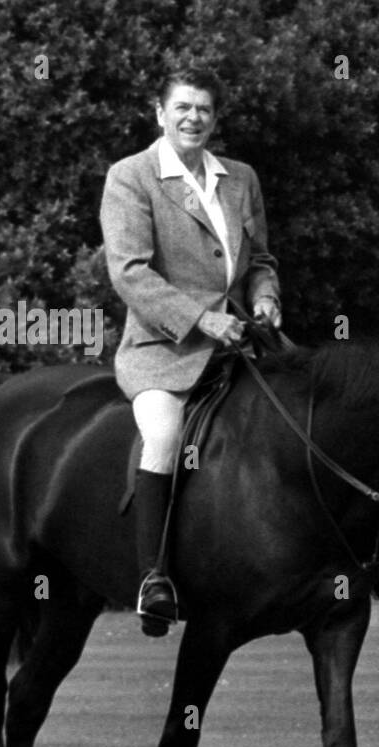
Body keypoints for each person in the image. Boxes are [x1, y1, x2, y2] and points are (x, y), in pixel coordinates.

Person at [100, 66, 281, 634]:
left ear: (214, 118)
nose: (193, 117)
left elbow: (260, 261)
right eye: (182, 107)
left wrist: (267, 298)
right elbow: (129, 272)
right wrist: (202, 320)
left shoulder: (240, 178)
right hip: (164, 348)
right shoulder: (131, 177)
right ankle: (154, 578)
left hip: (242, 342)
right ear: (160, 113)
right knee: (163, 435)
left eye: (203, 108)